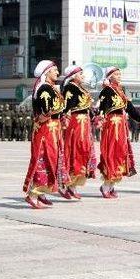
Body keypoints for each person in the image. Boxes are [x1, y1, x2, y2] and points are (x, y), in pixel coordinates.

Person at [22, 61, 67, 209]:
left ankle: (41, 193)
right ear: (46, 73)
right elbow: (46, 110)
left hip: (52, 129)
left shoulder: (50, 88)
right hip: (45, 130)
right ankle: (33, 194)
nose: (57, 73)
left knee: (51, 159)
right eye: (54, 70)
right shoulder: (45, 89)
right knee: (44, 159)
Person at [97, 67, 140, 199]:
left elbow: (130, 109)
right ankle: (106, 186)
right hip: (112, 126)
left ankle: (111, 186)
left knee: (120, 153)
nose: (119, 76)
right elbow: (102, 107)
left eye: (119, 74)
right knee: (112, 153)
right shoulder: (107, 90)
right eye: (116, 74)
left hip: (122, 126)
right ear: (110, 77)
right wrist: (100, 118)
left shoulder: (121, 91)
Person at [61, 65, 97, 200]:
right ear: (73, 76)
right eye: (80, 74)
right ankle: (66, 184)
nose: (83, 76)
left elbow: (87, 108)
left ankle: (72, 186)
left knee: (83, 151)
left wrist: (94, 118)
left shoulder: (81, 88)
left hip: (84, 123)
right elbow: (68, 106)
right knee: (75, 150)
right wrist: (65, 118)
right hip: (76, 123)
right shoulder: (70, 87)